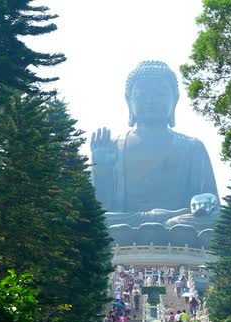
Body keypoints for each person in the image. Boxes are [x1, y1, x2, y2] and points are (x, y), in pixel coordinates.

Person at [90, 60, 218, 216]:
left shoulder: (192, 147)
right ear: (129, 100)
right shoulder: (113, 146)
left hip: (179, 221)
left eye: (160, 94)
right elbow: (99, 206)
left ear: (175, 100)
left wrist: (205, 200)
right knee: (101, 222)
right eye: (142, 94)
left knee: (214, 222)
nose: (151, 100)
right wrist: (102, 170)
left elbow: (210, 197)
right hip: (125, 222)